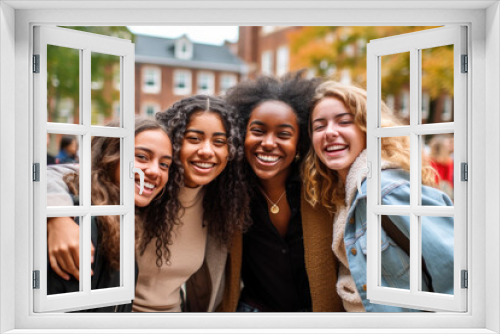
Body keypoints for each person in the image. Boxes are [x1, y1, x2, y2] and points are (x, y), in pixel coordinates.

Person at [47, 96, 250, 312]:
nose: (207, 151)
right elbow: (61, 174)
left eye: (219, 142)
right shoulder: (144, 187)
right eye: (194, 138)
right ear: (174, 141)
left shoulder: (221, 204)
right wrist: (57, 216)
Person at [302, 81, 454, 312]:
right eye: (319, 126)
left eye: (344, 121)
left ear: (368, 129)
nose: (330, 132)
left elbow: (455, 274)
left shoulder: (388, 191)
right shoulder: (340, 197)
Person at [219, 71, 345, 312]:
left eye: (283, 134)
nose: (268, 142)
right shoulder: (230, 193)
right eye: (257, 131)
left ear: (300, 142)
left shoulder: (323, 189)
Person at [47, 117, 173, 312]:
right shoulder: (83, 221)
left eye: (164, 164)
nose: (155, 171)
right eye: (141, 157)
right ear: (110, 156)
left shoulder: (122, 218)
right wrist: (58, 217)